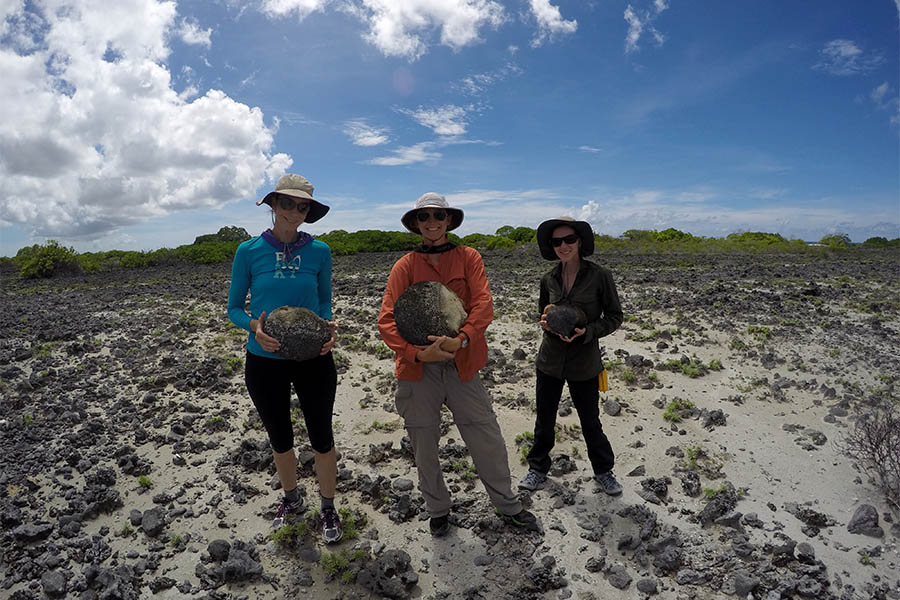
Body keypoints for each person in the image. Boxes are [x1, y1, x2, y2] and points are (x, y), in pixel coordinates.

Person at [377, 192, 536, 537]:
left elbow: (482, 304)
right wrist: (418, 353)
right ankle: (437, 509)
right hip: (417, 369)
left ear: (449, 220)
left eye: (438, 216)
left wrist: (461, 338)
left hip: (462, 362)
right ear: (416, 224)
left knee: (485, 434)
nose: (432, 223)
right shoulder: (404, 266)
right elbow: (387, 320)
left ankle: (507, 504)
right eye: (425, 217)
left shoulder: (468, 257)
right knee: (423, 442)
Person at [227, 173, 342, 543]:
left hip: (314, 358)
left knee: (322, 438)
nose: (295, 210)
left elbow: (323, 301)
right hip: (264, 360)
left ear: (309, 210)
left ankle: (328, 507)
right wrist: (253, 329)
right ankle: (291, 499)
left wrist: (327, 328)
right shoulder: (248, 252)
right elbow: (233, 309)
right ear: (273, 204)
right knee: (280, 438)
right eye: (288, 203)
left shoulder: (320, 251)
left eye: (302, 205)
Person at [518, 217, 624, 496]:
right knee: (544, 418)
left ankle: (604, 471)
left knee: (590, 420)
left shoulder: (600, 276)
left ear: (580, 242)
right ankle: (537, 468)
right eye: (556, 242)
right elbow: (543, 312)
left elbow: (614, 317)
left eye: (569, 240)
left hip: (584, 362)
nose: (563, 246)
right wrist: (545, 323)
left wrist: (587, 331)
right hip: (549, 360)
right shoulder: (548, 279)